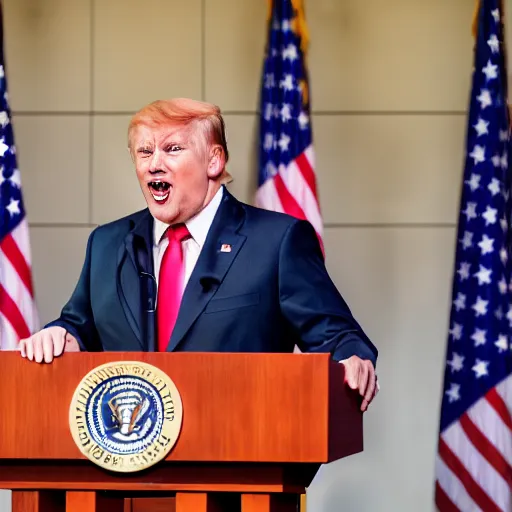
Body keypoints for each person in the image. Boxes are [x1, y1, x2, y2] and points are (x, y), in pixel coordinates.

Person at [19, 98, 379, 411]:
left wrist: (352, 358)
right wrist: (60, 336)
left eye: (172, 149)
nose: (154, 164)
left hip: (237, 464)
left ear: (214, 160)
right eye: (145, 152)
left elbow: (335, 336)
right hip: (124, 470)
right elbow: (79, 327)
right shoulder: (107, 244)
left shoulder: (277, 241)